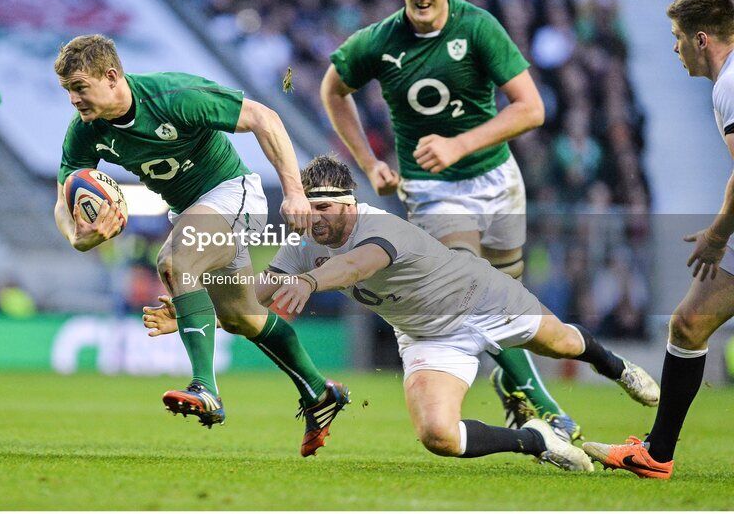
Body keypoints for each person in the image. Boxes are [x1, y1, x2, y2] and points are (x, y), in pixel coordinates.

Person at [144, 155, 660, 470]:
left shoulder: (378, 228)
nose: (314, 219)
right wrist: (198, 307)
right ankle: (536, 441)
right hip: (427, 336)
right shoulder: (304, 243)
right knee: (438, 436)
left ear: (349, 204)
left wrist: (308, 280)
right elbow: (259, 292)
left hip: (480, 298)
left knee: (565, 343)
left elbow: (353, 267)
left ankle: (619, 368)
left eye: (325, 209)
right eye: (308, 208)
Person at [320, 0, 579, 439]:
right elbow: (333, 88)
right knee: (473, 285)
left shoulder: (477, 26)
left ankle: (511, 380)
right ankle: (542, 405)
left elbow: (531, 108)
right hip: (431, 188)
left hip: (498, 178)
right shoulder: (378, 41)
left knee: (508, 293)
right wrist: (370, 162)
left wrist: (460, 146)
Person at [53, 34, 348, 456]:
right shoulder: (84, 131)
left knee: (174, 259)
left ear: (112, 76)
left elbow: (265, 118)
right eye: (67, 91)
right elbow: (63, 196)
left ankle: (206, 388)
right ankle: (320, 392)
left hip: (232, 194)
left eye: (79, 87)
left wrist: (295, 192)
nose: (74, 100)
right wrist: (76, 235)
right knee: (243, 318)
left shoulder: (174, 96)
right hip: (190, 211)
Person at [583, 0, 734, 479]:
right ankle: (657, 453)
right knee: (688, 325)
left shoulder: (731, 84)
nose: (675, 48)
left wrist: (716, 235)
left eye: (677, 37)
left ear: (702, 39)